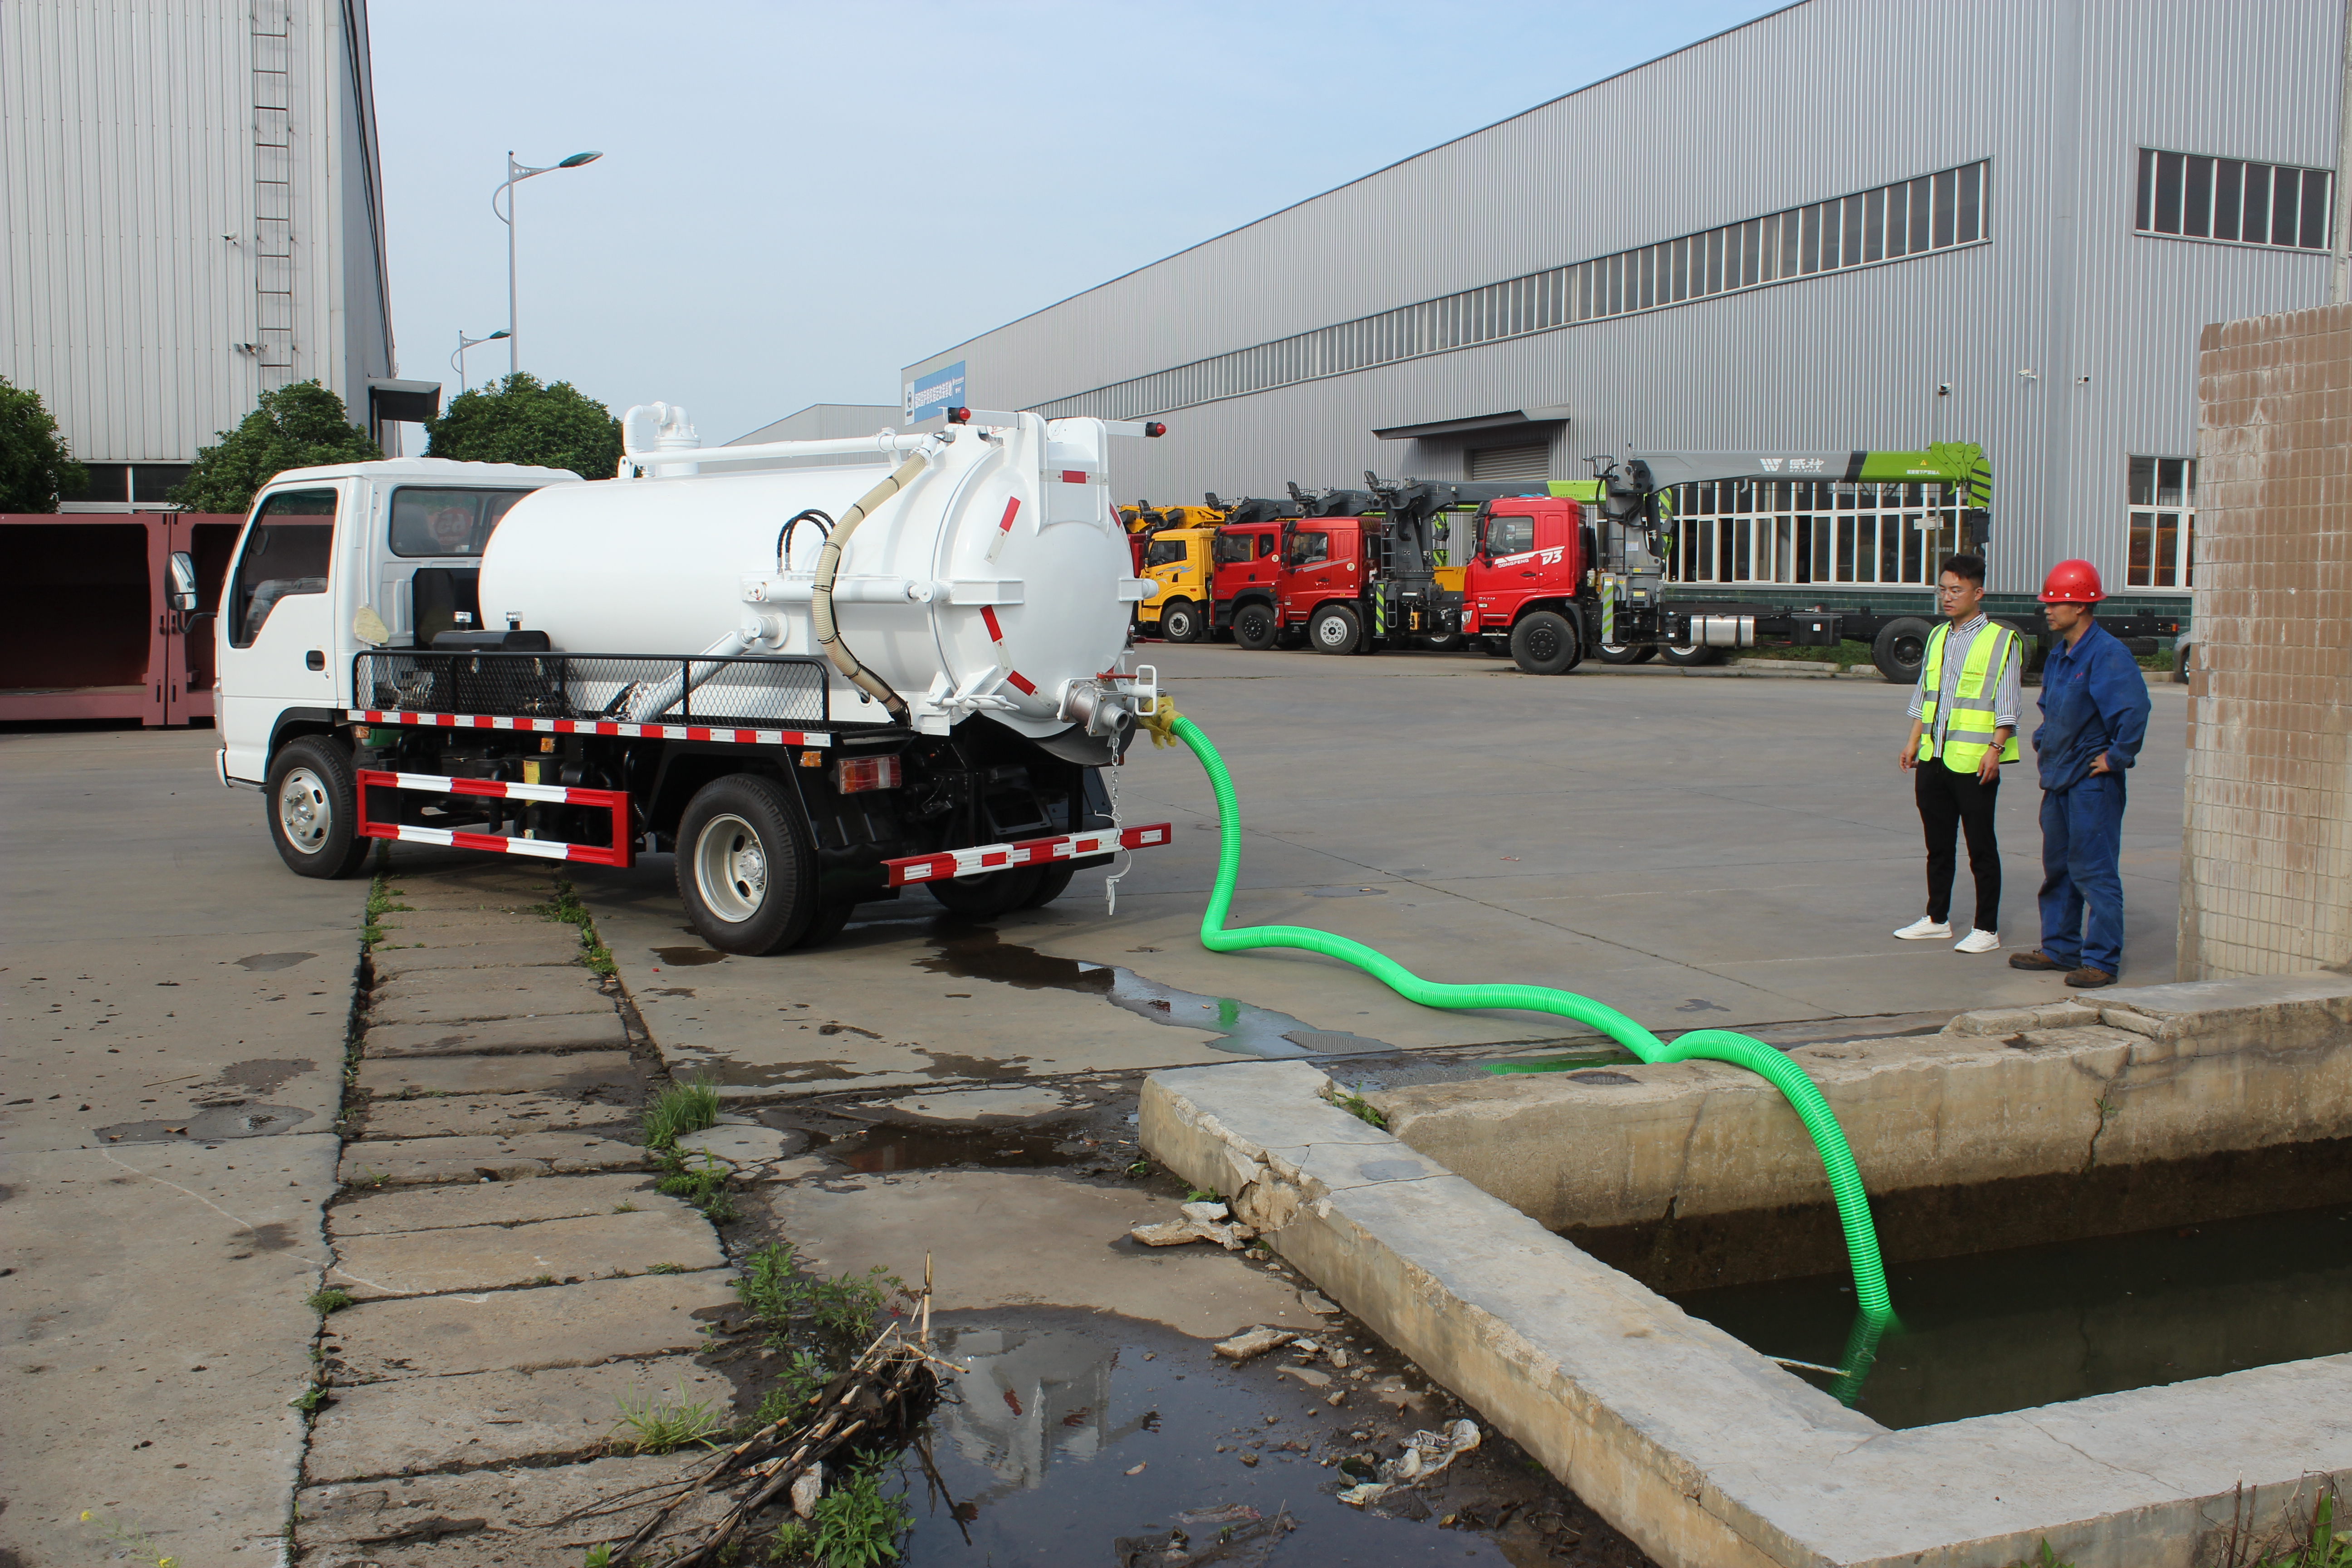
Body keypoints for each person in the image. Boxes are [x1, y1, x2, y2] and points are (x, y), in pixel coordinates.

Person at [2010, 559, 2151, 988]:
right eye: (2048, 602)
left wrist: (2116, 757)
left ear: (2083, 606)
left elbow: (2134, 710)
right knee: (2059, 868)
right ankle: (2060, 948)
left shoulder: (2108, 654)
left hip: (2092, 783)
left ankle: (2101, 960)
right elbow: (2050, 707)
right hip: (2059, 777)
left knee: (2094, 871)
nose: (2048, 610)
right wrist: (2043, 740)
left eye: (2057, 603)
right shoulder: (2060, 654)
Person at [1893, 552, 2023, 954]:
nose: (1947, 597)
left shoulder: (2001, 640)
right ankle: (1937, 919)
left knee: (1981, 847)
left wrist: (1995, 750)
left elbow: (2008, 703)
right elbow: (1925, 694)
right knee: (1938, 845)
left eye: (1956, 590)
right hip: (1933, 757)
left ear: (1978, 593)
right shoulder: (1937, 636)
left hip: (1974, 761)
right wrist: (1913, 740)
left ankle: (1987, 928)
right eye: (1943, 590)